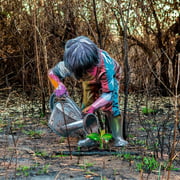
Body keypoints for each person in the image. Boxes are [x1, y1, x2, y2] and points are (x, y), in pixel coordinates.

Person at [48, 36, 128, 147]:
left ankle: (118, 137)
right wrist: (58, 86)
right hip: (90, 82)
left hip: (110, 77)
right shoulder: (71, 64)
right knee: (86, 106)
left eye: (88, 70)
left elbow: (108, 94)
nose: (86, 73)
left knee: (111, 107)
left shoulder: (106, 66)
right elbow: (52, 74)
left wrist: (94, 107)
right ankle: (91, 137)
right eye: (82, 72)